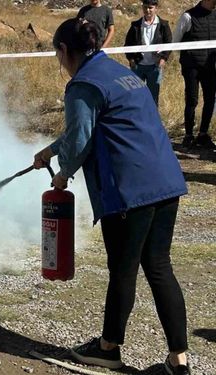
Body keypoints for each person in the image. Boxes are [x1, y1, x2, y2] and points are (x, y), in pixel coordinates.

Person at [33, 18, 191, 375]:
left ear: (63, 50)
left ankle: (107, 349)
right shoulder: (120, 73)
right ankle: (178, 362)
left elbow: (80, 141)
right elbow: (94, 128)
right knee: (159, 266)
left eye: (58, 55)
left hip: (130, 190)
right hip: (165, 181)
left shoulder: (82, 85)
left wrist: (62, 173)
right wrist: (51, 150)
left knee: (122, 270)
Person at [173, 0, 216, 149]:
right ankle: (189, 135)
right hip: (191, 67)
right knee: (192, 99)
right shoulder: (188, 16)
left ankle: (203, 134)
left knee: (210, 99)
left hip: (210, 67)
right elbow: (175, 41)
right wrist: (189, 56)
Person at [124, 0, 172, 105]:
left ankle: (152, 120)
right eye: (145, 7)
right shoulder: (135, 25)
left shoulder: (164, 25)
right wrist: (131, 59)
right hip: (138, 66)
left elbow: (169, 44)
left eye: (150, 7)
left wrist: (163, 58)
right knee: (136, 96)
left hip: (155, 67)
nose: (148, 10)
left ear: (156, 8)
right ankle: (137, 120)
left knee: (153, 97)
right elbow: (127, 44)